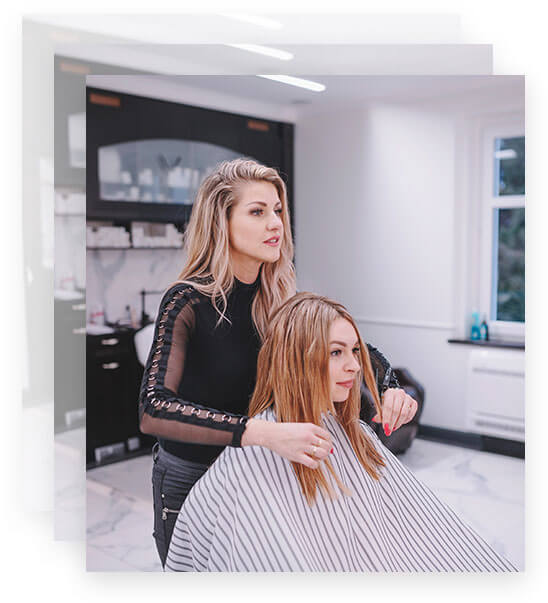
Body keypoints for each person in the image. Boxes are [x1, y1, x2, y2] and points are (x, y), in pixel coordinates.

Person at [138, 158, 418, 568]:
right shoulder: (186, 301)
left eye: (278, 211)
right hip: (191, 478)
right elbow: (154, 409)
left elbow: (353, 346)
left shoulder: (279, 301)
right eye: (257, 212)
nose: (276, 224)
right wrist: (262, 433)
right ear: (221, 222)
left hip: (256, 471)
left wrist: (389, 386)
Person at [165, 293, 518, 572]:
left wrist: (389, 386)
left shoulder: (352, 433)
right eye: (336, 352)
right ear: (297, 358)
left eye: (354, 351)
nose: (353, 366)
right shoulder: (255, 452)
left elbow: (422, 533)